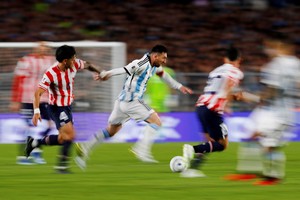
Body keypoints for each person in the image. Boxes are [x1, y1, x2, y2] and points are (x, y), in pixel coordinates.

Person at [74, 44, 193, 169]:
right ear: (155, 56)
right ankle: (141, 150)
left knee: (111, 131)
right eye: (163, 58)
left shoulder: (155, 66)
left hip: (121, 102)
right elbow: (124, 69)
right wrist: (106, 74)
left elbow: (164, 75)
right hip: (132, 101)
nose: (164, 61)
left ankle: (85, 147)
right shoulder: (141, 64)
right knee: (156, 122)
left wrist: (179, 86)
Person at [25, 45, 101, 173]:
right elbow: (37, 93)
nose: (75, 59)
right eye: (73, 58)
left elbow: (87, 64)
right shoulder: (51, 73)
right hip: (56, 108)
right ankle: (62, 166)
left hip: (67, 106)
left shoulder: (74, 64)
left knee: (62, 139)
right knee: (70, 135)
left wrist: (98, 72)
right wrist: (36, 112)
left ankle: (34, 143)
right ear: (65, 61)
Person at [181, 46, 246, 178]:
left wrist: (232, 97)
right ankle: (192, 149)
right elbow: (228, 85)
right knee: (222, 145)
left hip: (201, 106)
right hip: (213, 109)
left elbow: (217, 90)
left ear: (225, 58)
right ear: (239, 60)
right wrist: (228, 103)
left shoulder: (215, 71)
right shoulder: (236, 71)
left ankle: (192, 170)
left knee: (208, 142)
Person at [10, 41, 55, 165]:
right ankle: (24, 156)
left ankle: (36, 151)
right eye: (40, 46)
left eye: (45, 47)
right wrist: (15, 100)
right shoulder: (25, 60)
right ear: (36, 48)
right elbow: (17, 80)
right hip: (27, 98)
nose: (43, 49)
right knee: (29, 127)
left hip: (44, 98)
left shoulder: (51, 61)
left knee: (48, 126)